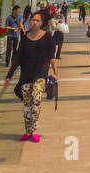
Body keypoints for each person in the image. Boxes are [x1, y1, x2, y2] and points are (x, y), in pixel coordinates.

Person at [6, 12, 57, 142]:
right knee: (27, 106)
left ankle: (34, 130)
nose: (34, 22)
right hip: (26, 76)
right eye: (33, 20)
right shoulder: (25, 37)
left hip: (40, 75)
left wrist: (55, 72)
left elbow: (52, 56)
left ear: (42, 23)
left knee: (36, 101)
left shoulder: (47, 38)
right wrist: (9, 75)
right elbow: (17, 57)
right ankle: (28, 132)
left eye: (37, 20)